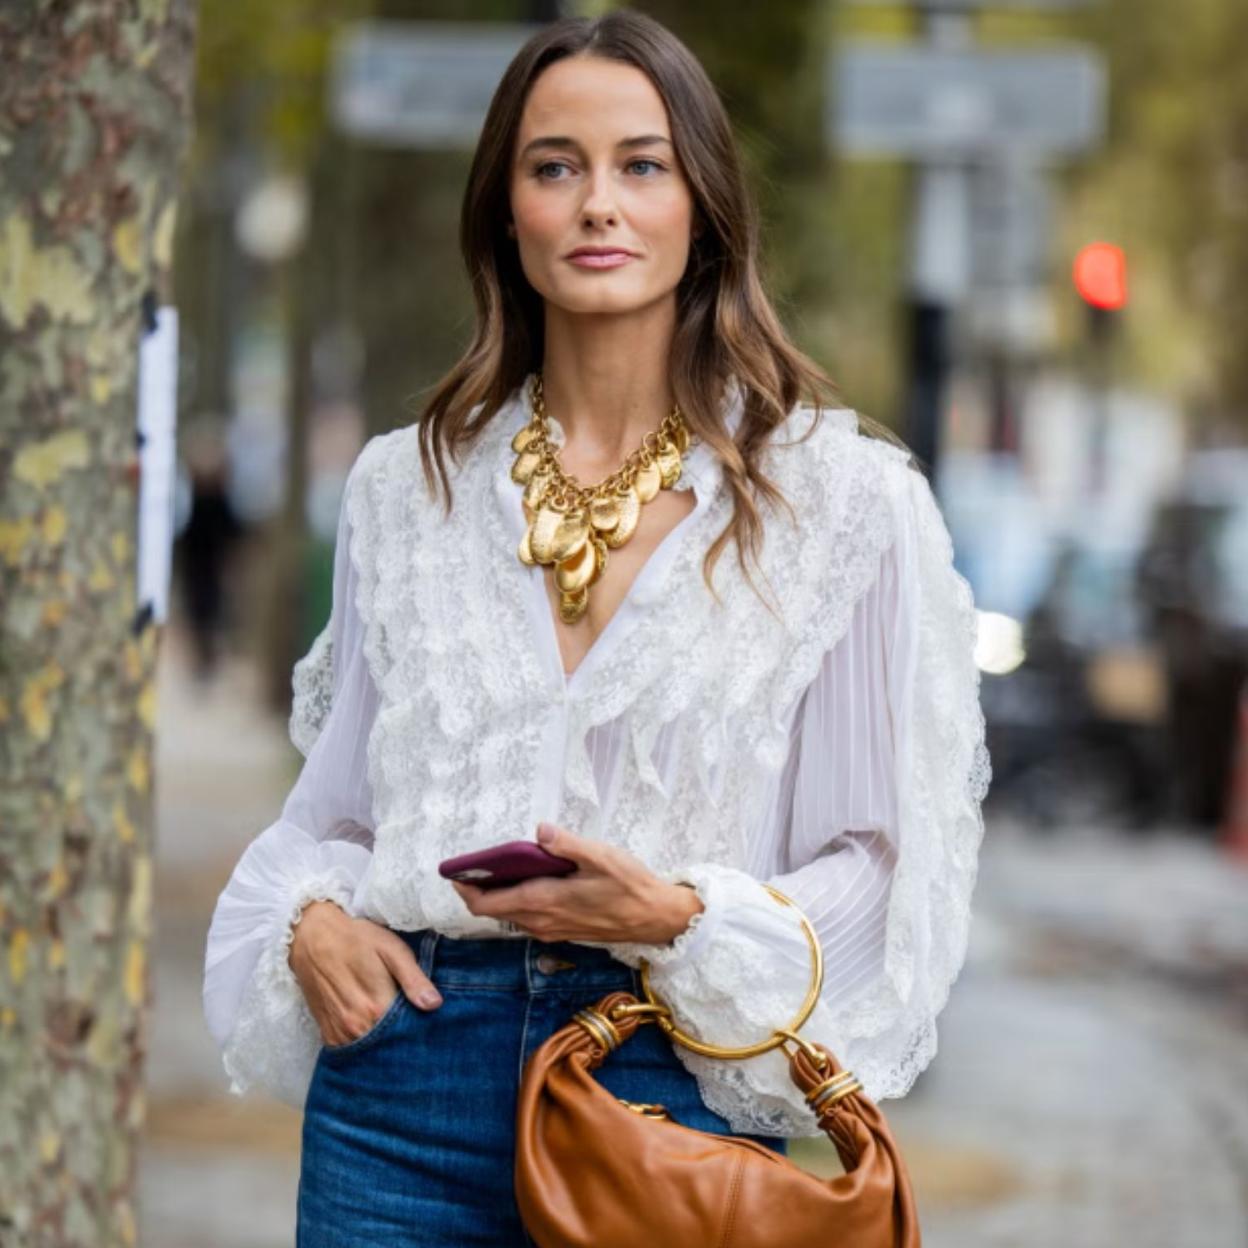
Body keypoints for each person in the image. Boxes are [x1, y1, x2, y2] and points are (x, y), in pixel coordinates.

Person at [202, 12, 990, 1246]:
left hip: (668, 1091)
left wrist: (679, 916)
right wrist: (308, 918)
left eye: (642, 164)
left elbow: (885, 870)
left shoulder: (843, 506)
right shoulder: (404, 492)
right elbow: (342, 813)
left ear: (705, 209)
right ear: (506, 214)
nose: (596, 204)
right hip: (400, 1091)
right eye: (554, 165)